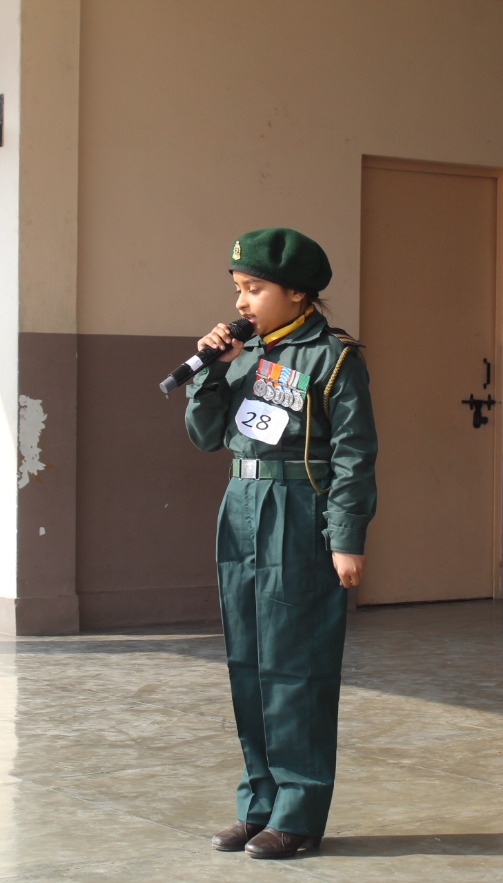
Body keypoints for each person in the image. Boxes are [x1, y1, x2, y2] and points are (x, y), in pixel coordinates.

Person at [184, 227, 379, 860]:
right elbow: (206, 436)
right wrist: (211, 372)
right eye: (238, 289)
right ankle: (259, 805)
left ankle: (298, 814)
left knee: (297, 666)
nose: (241, 302)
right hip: (241, 506)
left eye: (255, 289)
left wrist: (345, 537)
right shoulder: (245, 355)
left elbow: (354, 455)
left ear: (298, 292)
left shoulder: (332, 358)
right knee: (248, 662)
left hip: (298, 510)